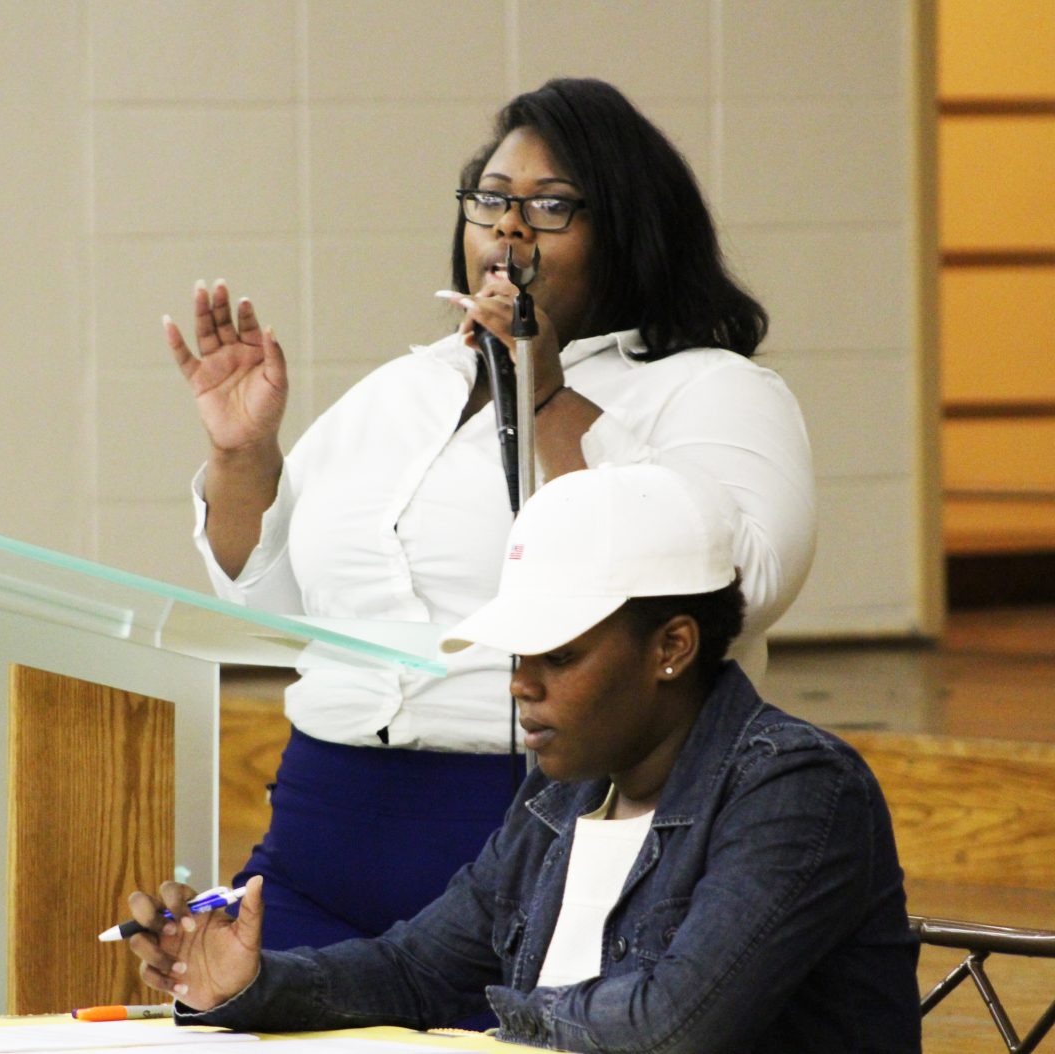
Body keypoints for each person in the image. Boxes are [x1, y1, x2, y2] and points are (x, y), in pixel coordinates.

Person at [166, 77, 816, 950]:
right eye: (491, 202)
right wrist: (242, 455)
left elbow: (743, 585)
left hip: (536, 827)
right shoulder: (398, 391)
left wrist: (543, 391)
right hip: (323, 831)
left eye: (551, 207)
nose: (509, 230)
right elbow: (274, 610)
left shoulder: (709, 389)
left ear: (628, 230)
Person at [127, 465, 919, 1054]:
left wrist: (504, 1018)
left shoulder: (795, 790)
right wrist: (249, 984)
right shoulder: (564, 795)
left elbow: (673, 1027)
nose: (519, 684)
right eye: (516, 653)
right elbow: (417, 970)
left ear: (672, 647)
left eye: (560, 655)